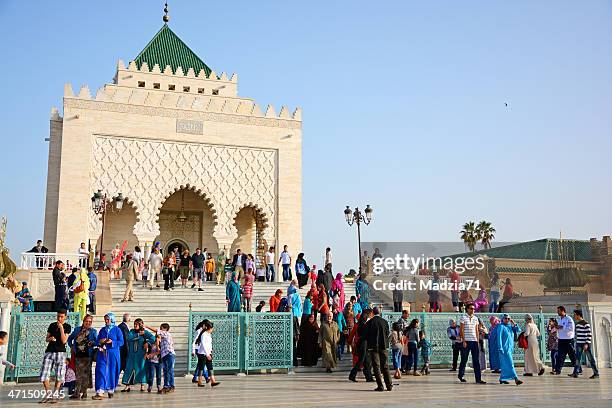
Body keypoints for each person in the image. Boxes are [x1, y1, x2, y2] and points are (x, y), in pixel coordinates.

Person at [39, 309, 72, 404]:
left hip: (60, 352)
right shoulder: (52, 325)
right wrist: (50, 338)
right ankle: (48, 394)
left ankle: (56, 394)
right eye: (58, 316)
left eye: (61, 316)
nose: (59, 318)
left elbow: (64, 340)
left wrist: (61, 328)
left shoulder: (67, 326)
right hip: (49, 352)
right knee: (44, 373)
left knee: (59, 374)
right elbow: (46, 338)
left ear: (65, 316)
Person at [92, 313, 124, 400]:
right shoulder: (102, 330)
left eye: (108, 319)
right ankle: (100, 391)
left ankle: (110, 390)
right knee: (100, 370)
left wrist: (112, 342)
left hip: (113, 354)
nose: (106, 321)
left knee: (112, 371)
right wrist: (100, 341)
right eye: (105, 319)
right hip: (102, 354)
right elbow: (98, 340)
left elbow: (121, 342)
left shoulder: (117, 330)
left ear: (112, 319)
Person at [67, 314, 97, 400]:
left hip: (88, 355)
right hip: (78, 355)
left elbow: (97, 342)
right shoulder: (77, 330)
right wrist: (71, 346)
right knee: (78, 374)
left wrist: (93, 343)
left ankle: (84, 392)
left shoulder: (93, 331)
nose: (88, 323)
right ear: (83, 321)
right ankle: (77, 392)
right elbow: (70, 339)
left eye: (90, 321)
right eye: (86, 321)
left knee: (86, 374)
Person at [121, 319, 155, 392]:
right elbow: (129, 338)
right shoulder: (132, 331)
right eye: (134, 324)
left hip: (141, 354)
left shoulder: (145, 332)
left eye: (137, 324)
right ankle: (127, 386)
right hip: (131, 355)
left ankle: (142, 385)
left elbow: (153, 338)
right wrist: (139, 334)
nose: (135, 325)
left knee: (141, 369)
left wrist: (147, 343)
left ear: (140, 325)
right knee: (129, 369)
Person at [365, 307, 392, 391]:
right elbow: (387, 333)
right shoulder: (384, 322)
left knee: (376, 366)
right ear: (380, 313)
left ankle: (380, 385)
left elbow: (366, 335)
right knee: (385, 366)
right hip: (384, 346)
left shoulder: (370, 322)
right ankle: (389, 385)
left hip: (373, 347)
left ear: (372, 312)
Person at [458, 303, 486, 384]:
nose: (473, 310)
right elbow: (461, 330)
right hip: (466, 341)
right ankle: (461, 375)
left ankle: (478, 379)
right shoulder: (463, 318)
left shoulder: (476, 318)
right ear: (467, 309)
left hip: (474, 341)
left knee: (476, 360)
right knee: (464, 359)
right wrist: (463, 341)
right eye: (471, 308)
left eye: (474, 309)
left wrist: (477, 341)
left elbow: (476, 330)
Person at [145, 323, 175, 394]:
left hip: (169, 354)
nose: (160, 330)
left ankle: (171, 386)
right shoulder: (162, 339)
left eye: (161, 328)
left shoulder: (167, 334)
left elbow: (157, 331)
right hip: (164, 356)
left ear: (164, 329)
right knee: (165, 371)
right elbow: (159, 350)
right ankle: (166, 386)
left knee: (169, 370)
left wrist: (146, 326)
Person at [571, 309, 599, 379]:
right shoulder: (577, 324)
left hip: (585, 344)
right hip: (579, 343)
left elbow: (589, 334)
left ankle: (596, 373)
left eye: (575, 315)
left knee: (590, 358)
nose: (574, 316)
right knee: (577, 358)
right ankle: (575, 372)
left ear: (578, 315)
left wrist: (586, 343)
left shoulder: (586, 323)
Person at [496, 314, 522, 385]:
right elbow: (499, 338)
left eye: (508, 318)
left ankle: (502, 378)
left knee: (505, 364)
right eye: (505, 318)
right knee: (510, 364)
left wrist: (513, 323)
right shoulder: (501, 326)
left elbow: (518, 330)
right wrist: (500, 347)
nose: (507, 320)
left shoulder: (510, 326)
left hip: (510, 348)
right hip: (504, 349)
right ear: (502, 319)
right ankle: (516, 378)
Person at [348, 309, 374, 383]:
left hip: (361, 344)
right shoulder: (363, 325)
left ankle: (368, 377)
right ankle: (352, 375)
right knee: (361, 361)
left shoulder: (360, 324)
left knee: (366, 361)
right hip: (363, 344)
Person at [192, 320, 220, 387]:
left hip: (208, 353)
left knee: (210, 367)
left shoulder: (208, 334)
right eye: (211, 328)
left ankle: (213, 381)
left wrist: (210, 351)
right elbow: (204, 345)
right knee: (201, 368)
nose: (212, 330)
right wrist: (207, 354)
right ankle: (199, 382)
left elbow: (209, 344)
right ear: (207, 328)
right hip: (203, 354)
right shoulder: (203, 334)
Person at [553, 305, 576, 375]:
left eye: (558, 311)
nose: (557, 312)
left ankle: (578, 369)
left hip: (568, 340)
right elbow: (558, 328)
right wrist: (556, 327)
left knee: (572, 356)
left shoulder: (569, 319)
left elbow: (571, 328)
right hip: (561, 340)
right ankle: (558, 370)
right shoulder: (560, 319)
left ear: (563, 311)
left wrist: (562, 327)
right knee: (560, 356)